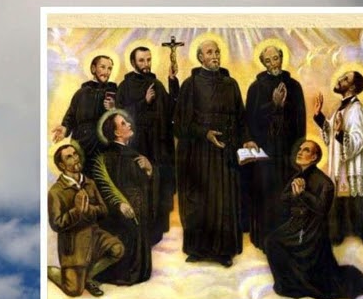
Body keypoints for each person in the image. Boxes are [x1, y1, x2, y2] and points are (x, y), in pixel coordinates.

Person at [174, 39, 258, 267]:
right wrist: (204, 133)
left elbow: (240, 118)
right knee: (201, 200)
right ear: (200, 58)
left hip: (226, 153)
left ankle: (223, 250)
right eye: (209, 52)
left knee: (224, 201)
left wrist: (248, 138)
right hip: (200, 153)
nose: (215, 55)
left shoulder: (230, 84)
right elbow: (180, 124)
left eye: (217, 51)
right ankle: (199, 249)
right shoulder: (190, 85)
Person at [264, 140, 363, 299]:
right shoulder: (298, 176)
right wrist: (294, 193)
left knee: (275, 242)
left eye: (305, 150)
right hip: (296, 224)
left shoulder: (325, 182)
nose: (299, 152)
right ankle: (288, 284)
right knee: (272, 241)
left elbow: (321, 209)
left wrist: (302, 194)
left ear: (314, 157)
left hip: (312, 230)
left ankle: (297, 286)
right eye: (300, 149)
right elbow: (284, 198)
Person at [244, 45, 306, 250]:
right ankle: (265, 239)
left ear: (282, 58)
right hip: (265, 151)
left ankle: (287, 239)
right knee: (266, 193)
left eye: (276, 58)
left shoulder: (294, 86)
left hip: (288, 150)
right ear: (263, 63)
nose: (273, 63)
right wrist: (273, 104)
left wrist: (298, 149)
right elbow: (250, 120)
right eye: (268, 60)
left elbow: (300, 120)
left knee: (286, 194)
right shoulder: (256, 87)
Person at [116, 46, 177, 244]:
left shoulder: (157, 84)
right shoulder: (125, 87)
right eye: (141, 60)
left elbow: (171, 111)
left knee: (157, 187)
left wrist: (172, 81)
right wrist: (144, 101)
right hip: (137, 146)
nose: (146, 64)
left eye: (148, 60)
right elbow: (119, 116)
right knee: (138, 188)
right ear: (133, 62)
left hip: (158, 147)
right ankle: (139, 233)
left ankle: (155, 232)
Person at [47, 141, 124, 297]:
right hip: (73, 243)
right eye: (69, 157)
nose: (75, 158)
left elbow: (103, 210)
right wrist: (76, 211)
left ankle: (87, 277)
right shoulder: (56, 192)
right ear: (62, 165)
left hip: (94, 235)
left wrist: (88, 210)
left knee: (118, 249)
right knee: (74, 290)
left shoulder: (89, 183)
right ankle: (52, 271)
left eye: (75, 154)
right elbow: (56, 224)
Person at [93, 111, 153, 285]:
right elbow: (103, 188)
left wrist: (149, 169)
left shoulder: (133, 153)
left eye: (127, 121)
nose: (129, 124)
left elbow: (143, 183)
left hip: (139, 210)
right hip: (121, 212)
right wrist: (118, 204)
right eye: (123, 123)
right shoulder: (109, 156)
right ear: (117, 133)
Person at [314, 70, 363, 244]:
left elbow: (357, 139)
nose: (339, 79)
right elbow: (331, 136)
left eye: (345, 79)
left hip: (350, 168)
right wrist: (320, 118)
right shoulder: (342, 108)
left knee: (353, 204)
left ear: (353, 87)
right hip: (338, 168)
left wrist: (341, 134)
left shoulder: (356, 110)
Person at [51, 56, 117, 169]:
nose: (106, 72)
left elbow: (125, 115)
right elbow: (71, 115)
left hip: (104, 143)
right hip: (82, 143)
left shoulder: (115, 92)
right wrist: (65, 128)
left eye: (109, 68)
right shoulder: (81, 93)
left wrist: (114, 108)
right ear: (93, 69)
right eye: (103, 67)